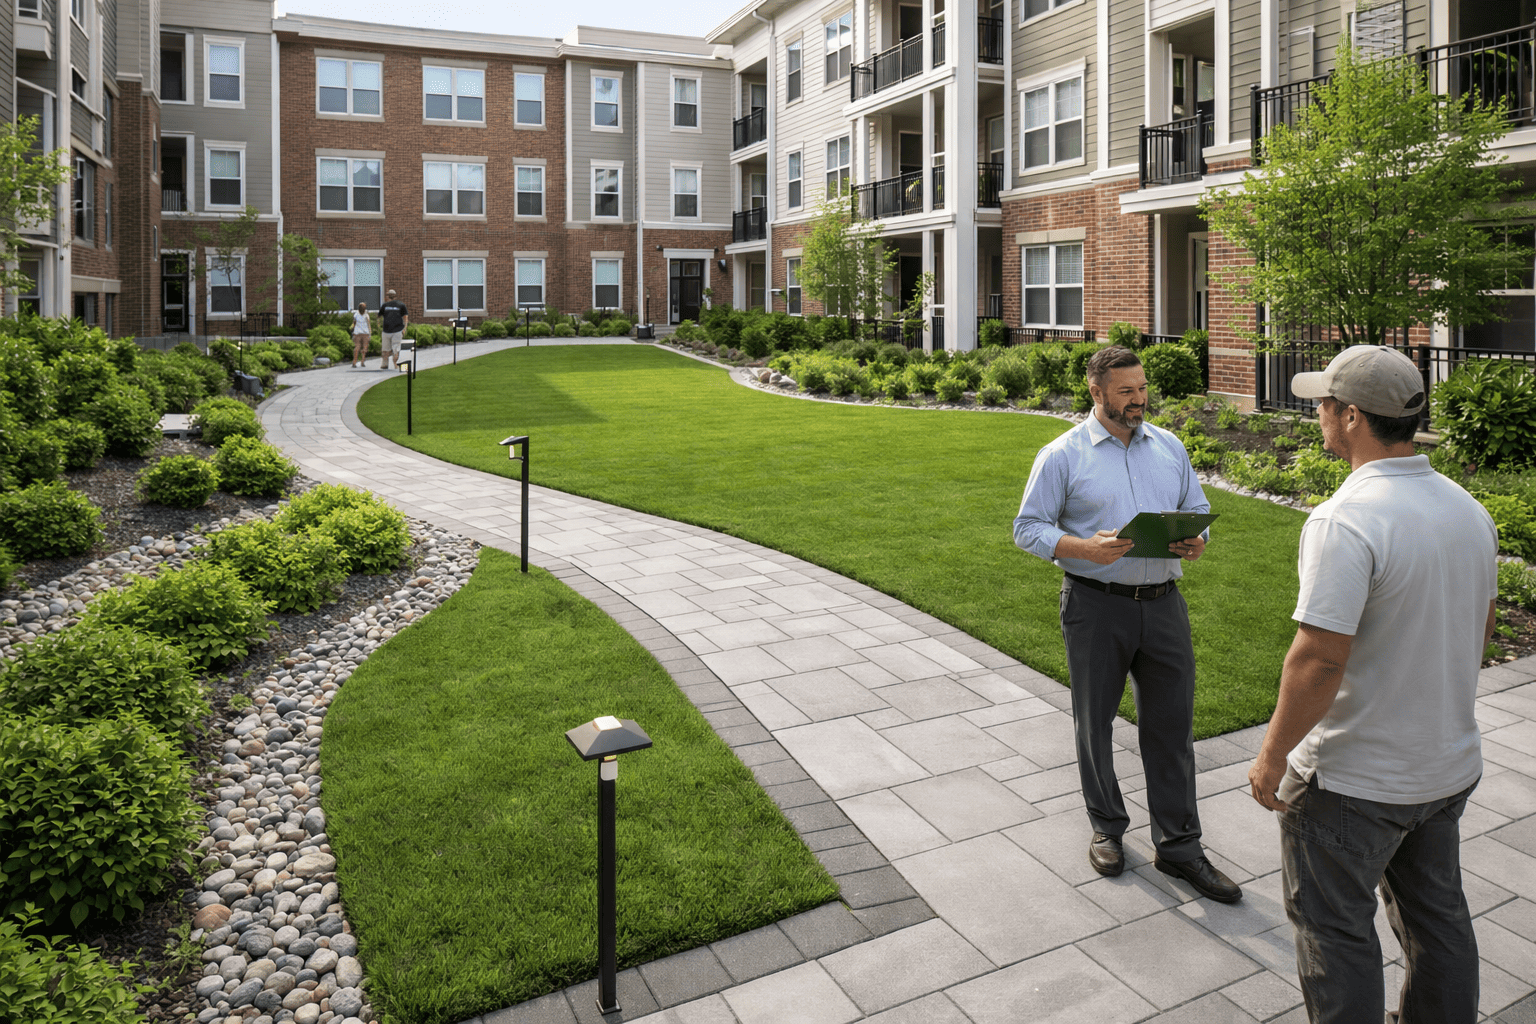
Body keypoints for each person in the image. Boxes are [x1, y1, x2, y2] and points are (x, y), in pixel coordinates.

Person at [1247, 345, 1496, 1024]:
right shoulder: (1468, 510)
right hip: (1445, 768)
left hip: (1353, 783)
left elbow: (1319, 659)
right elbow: (1477, 628)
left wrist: (1273, 756)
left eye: (1323, 402)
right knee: (1438, 919)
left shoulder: (1345, 518)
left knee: (1336, 933)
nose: (1316, 413)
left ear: (1352, 416)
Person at [1014, 345, 1241, 903]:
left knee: (1172, 726)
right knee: (1095, 722)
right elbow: (1027, 528)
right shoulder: (1062, 455)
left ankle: (1180, 846)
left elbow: (1197, 509)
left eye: (1141, 389)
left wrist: (1196, 541)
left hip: (1164, 605)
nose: (1139, 400)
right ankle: (1107, 829)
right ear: (1096, 392)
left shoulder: (1169, 447)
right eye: (1126, 392)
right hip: (1096, 605)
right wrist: (1081, 548)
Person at [378, 290, 410, 371]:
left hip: (391, 330)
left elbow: (379, 317)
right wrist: (405, 328)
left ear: (387, 296)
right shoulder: (400, 305)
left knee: (387, 349)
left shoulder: (385, 305)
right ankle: (392, 364)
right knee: (394, 349)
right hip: (394, 330)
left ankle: (387, 364)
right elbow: (405, 318)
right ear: (395, 296)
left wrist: (379, 326)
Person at [350, 302, 371, 368]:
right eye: (362, 307)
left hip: (365, 333)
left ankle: (362, 361)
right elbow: (354, 323)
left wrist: (369, 333)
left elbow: (369, 324)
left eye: (364, 307)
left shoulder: (366, 315)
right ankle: (354, 362)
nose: (363, 309)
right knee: (357, 348)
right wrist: (352, 329)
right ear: (359, 308)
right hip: (357, 333)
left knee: (364, 349)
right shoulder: (356, 314)